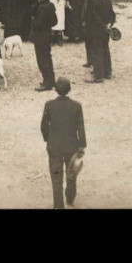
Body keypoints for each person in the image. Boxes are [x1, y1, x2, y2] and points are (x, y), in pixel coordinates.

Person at [39, 77, 87, 210]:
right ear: (69, 90)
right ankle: (70, 198)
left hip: (54, 146)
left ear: (55, 89)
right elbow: (80, 127)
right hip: (71, 146)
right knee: (71, 173)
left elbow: (43, 126)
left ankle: (58, 205)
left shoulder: (49, 105)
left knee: (56, 176)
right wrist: (82, 145)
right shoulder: (76, 106)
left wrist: (48, 139)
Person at [83, 0, 115, 83]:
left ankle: (98, 75)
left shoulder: (93, 0)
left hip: (95, 30)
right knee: (105, 49)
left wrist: (102, 25)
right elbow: (112, 14)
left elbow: (94, 16)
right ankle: (107, 72)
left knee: (97, 51)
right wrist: (109, 24)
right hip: (106, 30)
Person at [31, 0, 58, 92]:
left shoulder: (41, 8)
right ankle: (51, 80)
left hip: (40, 36)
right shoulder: (50, 5)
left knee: (42, 60)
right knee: (47, 57)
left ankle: (47, 83)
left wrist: (33, 21)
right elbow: (54, 21)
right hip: (47, 35)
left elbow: (38, 23)